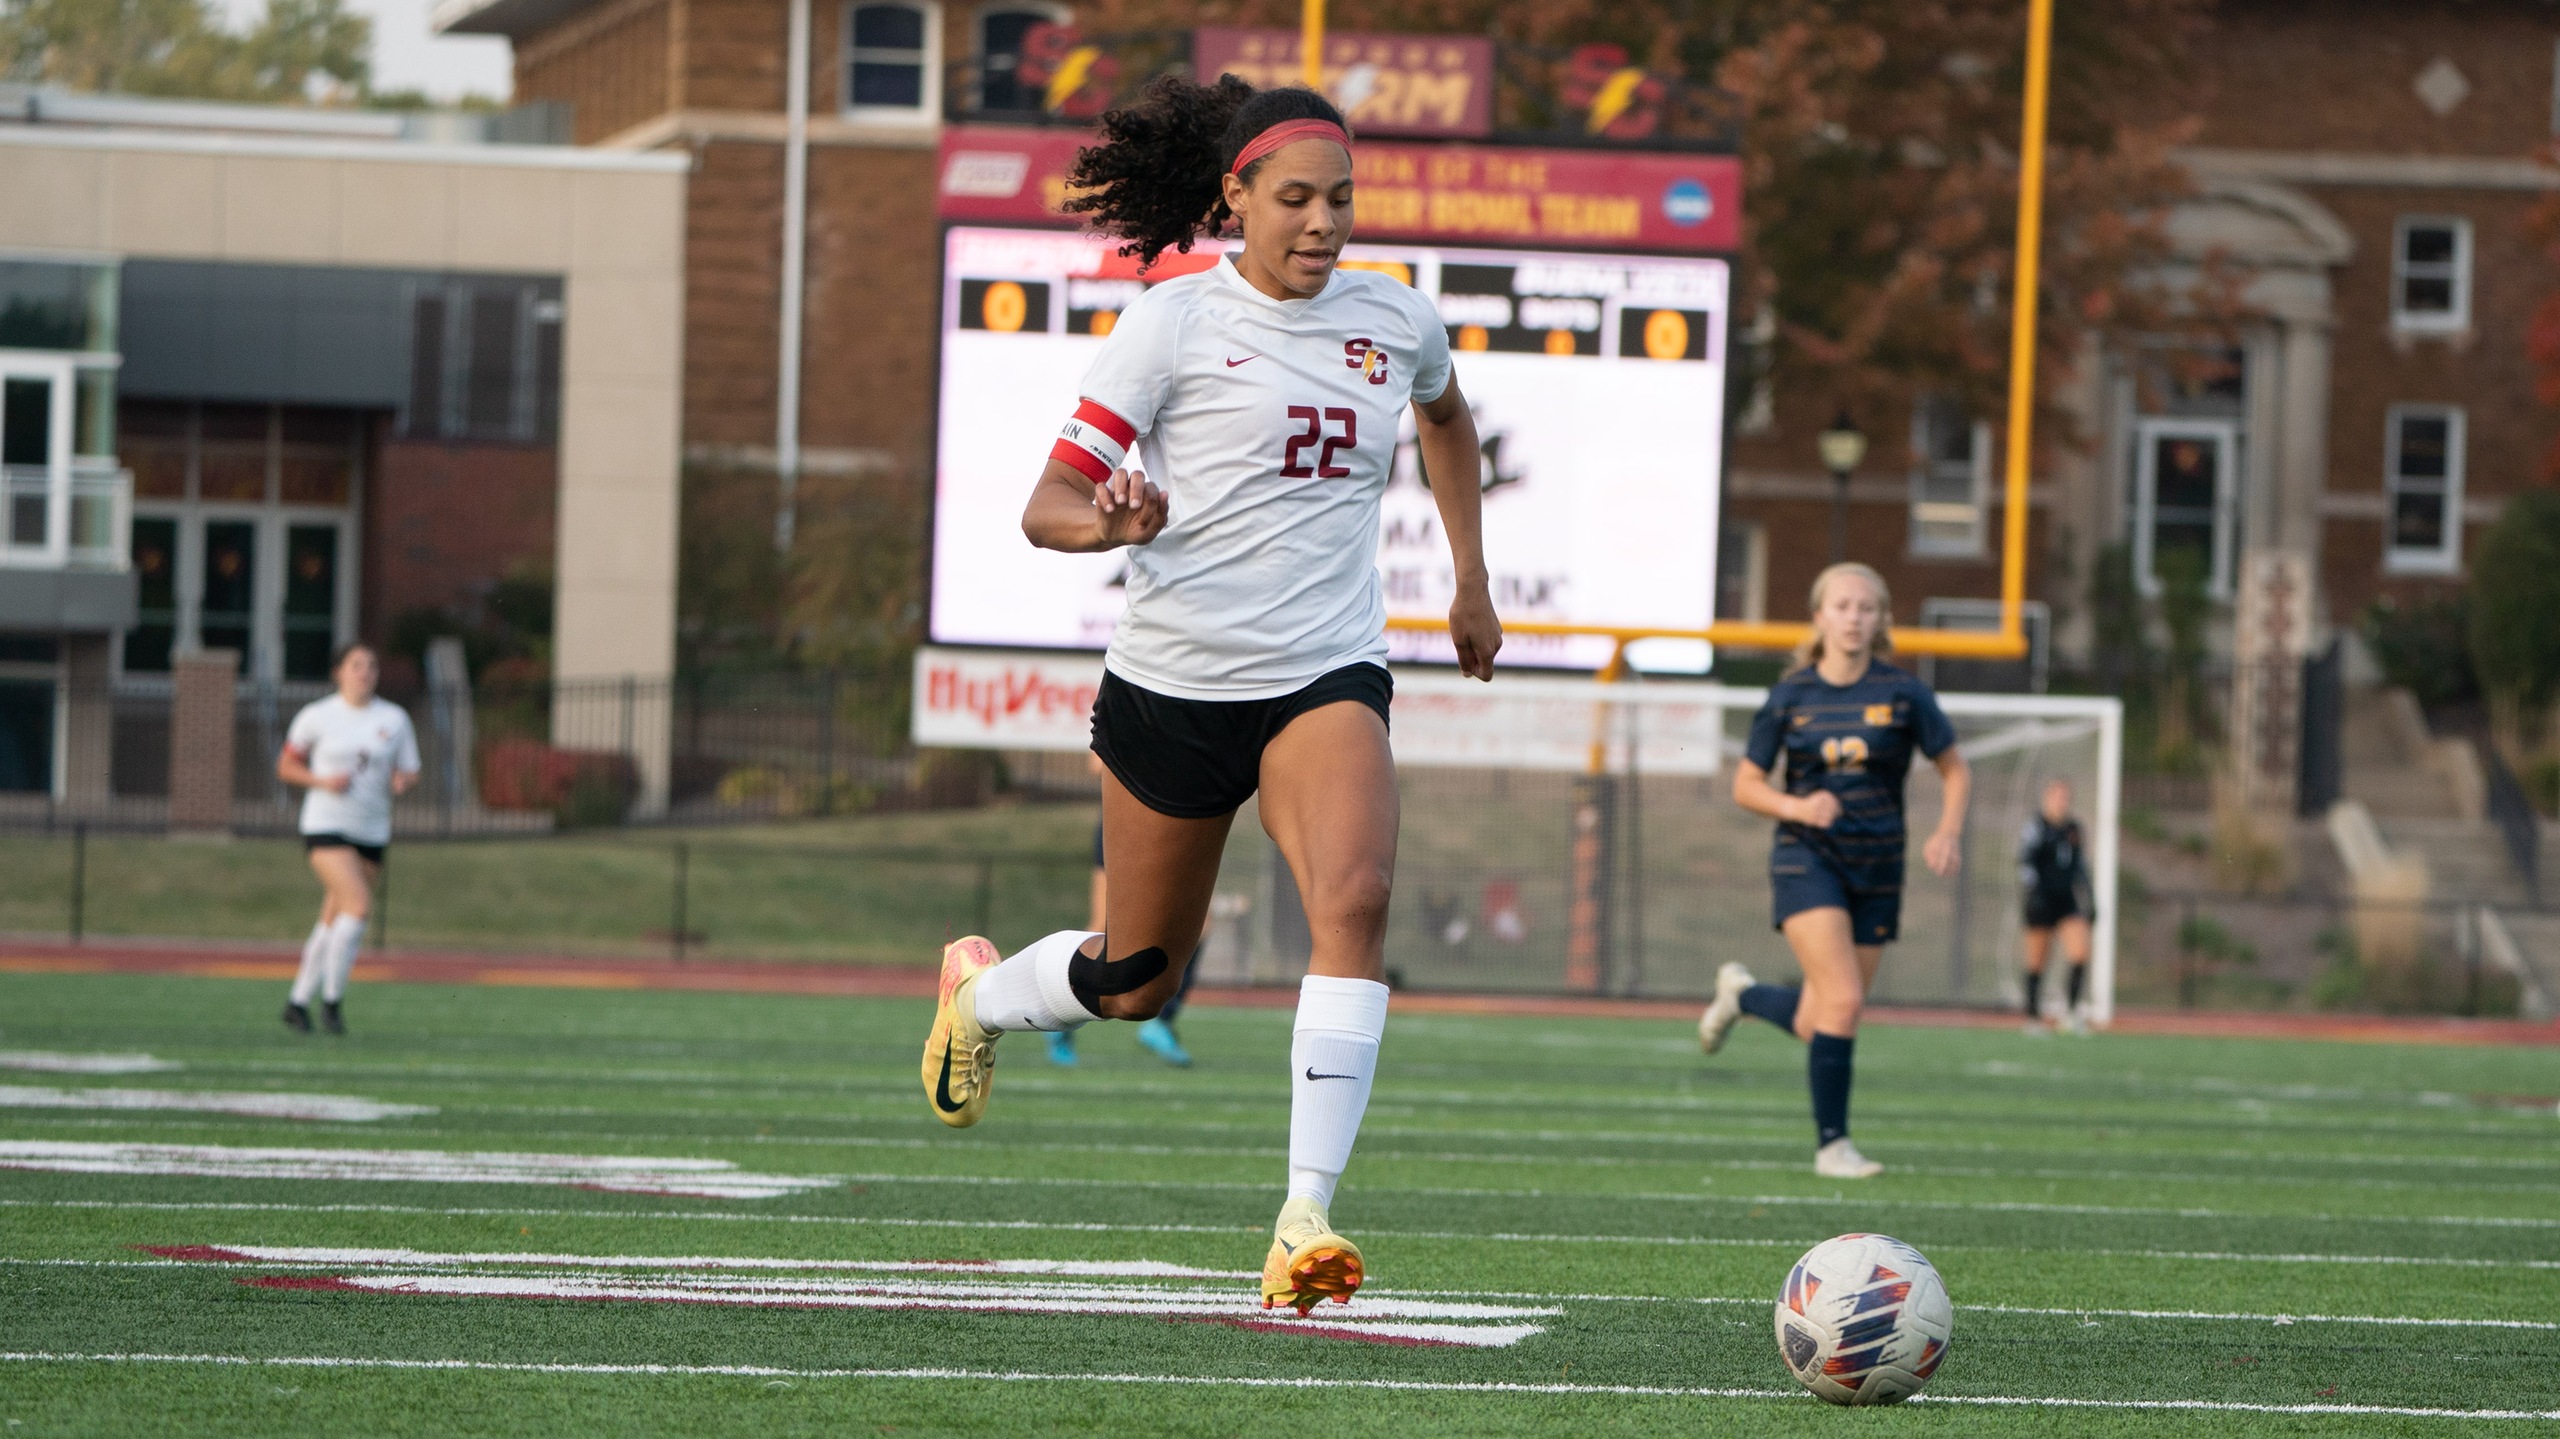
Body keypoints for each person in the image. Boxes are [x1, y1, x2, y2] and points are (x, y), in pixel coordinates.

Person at [917, 74, 1501, 1315]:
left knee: (1356, 896)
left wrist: (1469, 577)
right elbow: (1046, 508)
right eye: (1295, 199)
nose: (1323, 223)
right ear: (1233, 195)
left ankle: (1304, 1216)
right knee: (1135, 979)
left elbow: (1446, 420)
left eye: (1341, 198)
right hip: (1173, 687)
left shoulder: (1394, 319)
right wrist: (1112, 518)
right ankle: (977, 994)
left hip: (1325, 672)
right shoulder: (1172, 324)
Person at [1694, 563, 1970, 1179]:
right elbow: (1745, 784)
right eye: (1842, 606)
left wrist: (1946, 830)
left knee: (1819, 1018)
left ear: (1882, 620)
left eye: (1866, 607)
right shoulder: (1791, 696)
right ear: (1819, 617)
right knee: (1843, 1003)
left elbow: (1955, 768)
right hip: (1806, 859)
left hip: (1879, 867)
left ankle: (1742, 995)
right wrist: (1797, 806)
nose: (1854, 617)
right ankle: (1833, 1147)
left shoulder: (1905, 693)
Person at [275, 643, 419, 1035]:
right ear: (339, 671)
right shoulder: (318, 716)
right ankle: (333, 1003)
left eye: (372, 665)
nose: (365, 672)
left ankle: (298, 1001)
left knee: (333, 920)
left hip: (372, 829)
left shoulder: (394, 717)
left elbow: (408, 769)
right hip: (326, 824)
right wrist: (321, 780)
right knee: (357, 908)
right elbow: (286, 766)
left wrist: (402, 780)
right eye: (356, 665)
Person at [1047, 800, 1198, 1068]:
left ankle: (1162, 1022)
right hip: (1130, 812)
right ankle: (1059, 1017)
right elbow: (1096, 764)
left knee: (1200, 923)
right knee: (1102, 927)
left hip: (1176, 813)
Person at [2018, 777, 2095, 1036]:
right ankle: (2033, 1017)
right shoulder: (2036, 827)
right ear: (2047, 798)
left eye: (2065, 797)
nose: (2062, 802)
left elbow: (2080, 866)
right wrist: (2032, 894)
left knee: (2081, 951)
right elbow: (2025, 863)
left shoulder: (2074, 829)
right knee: (2037, 961)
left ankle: (2071, 1014)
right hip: (2041, 901)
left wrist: (2090, 896)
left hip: (2066, 902)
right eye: (2057, 797)